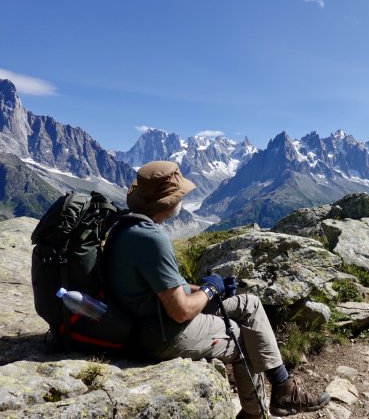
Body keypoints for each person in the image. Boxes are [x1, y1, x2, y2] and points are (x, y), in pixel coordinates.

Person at [105, 161, 330, 418]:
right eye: (181, 195)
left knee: (250, 303)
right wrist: (210, 291)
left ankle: (283, 388)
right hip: (161, 332)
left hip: (144, 318)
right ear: (168, 201)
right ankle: (257, 413)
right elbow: (180, 311)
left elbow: (163, 286)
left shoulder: (127, 227)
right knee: (242, 336)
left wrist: (208, 287)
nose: (183, 199)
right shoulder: (151, 239)